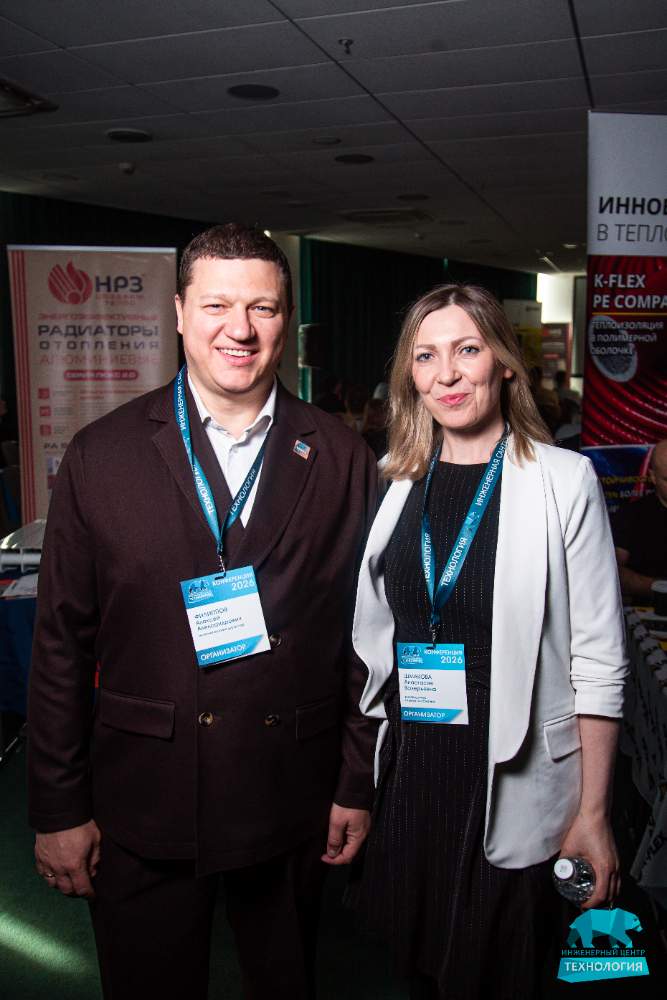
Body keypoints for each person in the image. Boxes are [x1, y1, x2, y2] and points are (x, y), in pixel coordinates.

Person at [27, 224, 379, 1000]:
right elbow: (59, 646)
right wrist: (58, 806)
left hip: (290, 792)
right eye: (217, 305)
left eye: (262, 308)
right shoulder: (101, 454)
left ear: (286, 320)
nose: (239, 329)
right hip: (144, 796)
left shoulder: (341, 456)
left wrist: (355, 782)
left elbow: (366, 641)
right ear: (181, 312)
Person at [347, 284, 627, 999]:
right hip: (413, 773)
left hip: (511, 777)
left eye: (466, 350)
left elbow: (599, 661)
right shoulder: (396, 482)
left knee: (496, 972)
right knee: (417, 971)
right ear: (409, 375)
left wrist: (594, 815)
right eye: (425, 356)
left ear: (503, 362)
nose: (445, 374)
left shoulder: (563, 480)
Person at [612, 439, 667, 603]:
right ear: (653, 477)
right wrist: (657, 587)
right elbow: (612, 570)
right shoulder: (631, 515)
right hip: (650, 609)